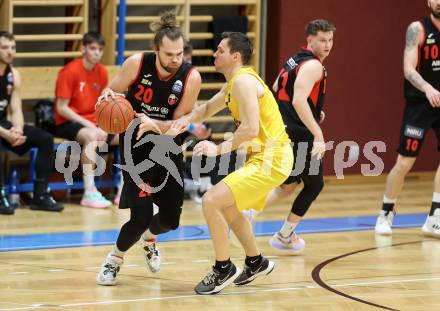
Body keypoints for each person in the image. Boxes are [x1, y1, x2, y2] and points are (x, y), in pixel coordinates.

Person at [95, 11, 201, 285]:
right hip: (135, 148)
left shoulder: (191, 77)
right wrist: (107, 96)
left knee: (171, 221)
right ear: (156, 50)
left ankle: (150, 239)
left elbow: (180, 122)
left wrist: (155, 123)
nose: (176, 59)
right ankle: (113, 260)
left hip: (168, 149)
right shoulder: (136, 63)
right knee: (140, 217)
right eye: (169, 54)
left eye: (180, 54)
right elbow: (112, 90)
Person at [189, 32, 294, 295]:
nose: (215, 54)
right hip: (264, 157)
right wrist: (167, 123)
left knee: (211, 200)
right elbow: (203, 111)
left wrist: (217, 150)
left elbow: (249, 128)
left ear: (235, 56)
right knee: (228, 207)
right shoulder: (234, 82)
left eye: (220, 51)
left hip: (273, 157)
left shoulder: (244, 82)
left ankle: (222, 268)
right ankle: (255, 261)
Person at [262, 19, 335, 253]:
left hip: (286, 129)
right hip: (300, 134)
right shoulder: (313, 65)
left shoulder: (295, 59)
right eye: (322, 40)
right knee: (315, 185)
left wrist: (313, 112)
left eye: (330, 40)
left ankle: (246, 213)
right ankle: (284, 235)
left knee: (289, 183)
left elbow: (277, 87)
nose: (327, 45)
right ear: (310, 39)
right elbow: (297, 99)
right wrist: (318, 133)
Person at [375, 0, 440, 237]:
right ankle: (385, 213)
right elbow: (408, 69)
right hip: (420, 104)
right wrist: (428, 89)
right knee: (404, 162)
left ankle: (435, 217)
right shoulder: (418, 29)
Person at [54, 31, 121, 209]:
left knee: (127, 134)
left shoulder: (102, 71)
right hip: (66, 122)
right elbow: (62, 108)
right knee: (91, 136)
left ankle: (125, 189)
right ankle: (89, 192)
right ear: (83, 49)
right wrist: (91, 125)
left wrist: (103, 125)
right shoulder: (70, 71)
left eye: (100, 49)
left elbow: (102, 104)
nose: (97, 53)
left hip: (93, 122)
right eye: (93, 48)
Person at [0, 31, 63, 215]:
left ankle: (40, 195)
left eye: (13, 48)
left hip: (4, 125)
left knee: (45, 139)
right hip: (2, 131)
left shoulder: (13, 75)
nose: (10, 52)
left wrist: (17, 129)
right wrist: (6, 134)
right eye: (4, 48)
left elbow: (16, 108)